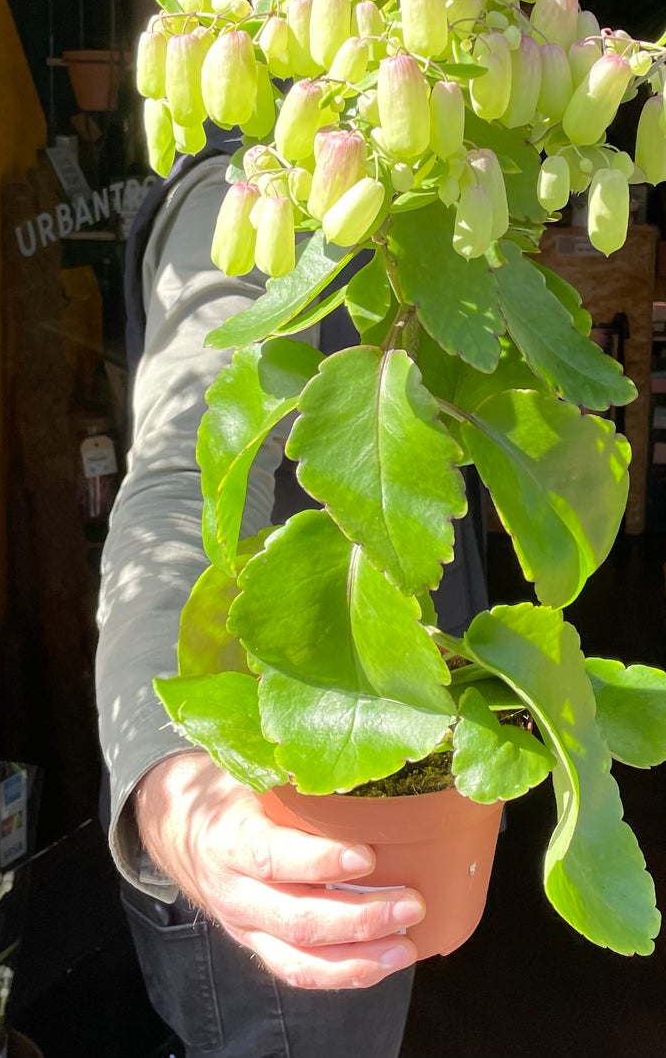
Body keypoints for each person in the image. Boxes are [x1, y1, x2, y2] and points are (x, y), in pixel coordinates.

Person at [95, 137, 487, 1057]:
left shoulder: (413, 186)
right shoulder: (254, 198)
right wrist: (174, 788)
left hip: (368, 804)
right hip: (275, 841)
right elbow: (179, 488)